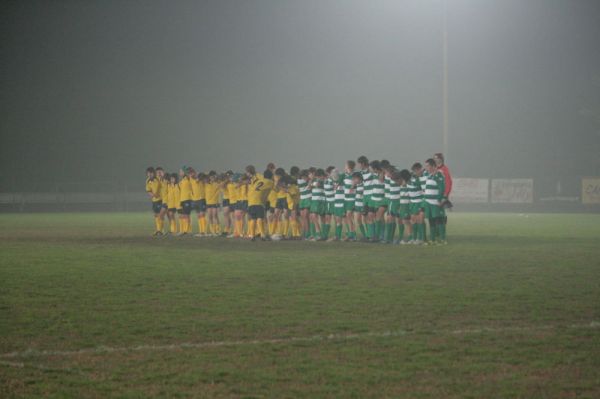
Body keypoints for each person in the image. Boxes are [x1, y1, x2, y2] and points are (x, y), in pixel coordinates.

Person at [246, 165, 273, 241]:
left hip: (251, 201)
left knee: (253, 218)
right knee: (260, 218)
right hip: (258, 201)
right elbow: (276, 189)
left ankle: (252, 236)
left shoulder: (254, 180)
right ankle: (262, 235)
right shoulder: (269, 181)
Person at [424, 158, 447, 244]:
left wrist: (439, 200)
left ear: (433, 166)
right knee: (431, 221)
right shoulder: (429, 175)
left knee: (439, 220)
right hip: (428, 202)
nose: (426, 168)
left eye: (427, 166)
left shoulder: (439, 175)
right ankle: (432, 239)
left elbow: (442, 188)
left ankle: (443, 239)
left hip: (435, 202)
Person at [408, 163, 425, 244]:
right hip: (412, 202)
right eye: (414, 171)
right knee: (413, 220)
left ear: (420, 169)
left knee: (419, 220)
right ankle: (414, 238)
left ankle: (421, 238)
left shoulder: (422, 178)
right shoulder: (412, 177)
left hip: (419, 201)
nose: (416, 172)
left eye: (417, 170)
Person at [309, 168, 327, 241]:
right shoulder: (314, 180)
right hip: (315, 200)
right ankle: (318, 234)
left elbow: (316, 185)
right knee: (314, 216)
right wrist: (311, 182)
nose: (319, 177)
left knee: (320, 217)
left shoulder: (322, 181)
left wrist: (311, 183)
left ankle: (321, 234)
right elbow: (310, 186)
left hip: (320, 200)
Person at [145, 167, 164, 236]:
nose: (149, 174)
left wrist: (158, 194)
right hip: (154, 200)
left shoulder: (158, 179)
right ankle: (158, 230)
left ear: (154, 173)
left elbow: (163, 185)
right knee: (156, 215)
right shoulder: (147, 181)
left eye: (151, 173)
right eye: (148, 173)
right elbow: (148, 190)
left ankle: (160, 230)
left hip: (161, 199)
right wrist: (153, 195)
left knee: (160, 215)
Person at [342, 160, 357, 241]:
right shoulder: (345, 175)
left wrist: (353, 185)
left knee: (349, 215)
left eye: (345, 165)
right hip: (346, 198)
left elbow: (356, 182)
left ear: (349, 166)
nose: (344, 167)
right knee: (346, 217)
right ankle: (350, 233)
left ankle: (353, 235)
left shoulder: (354, 175)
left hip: (351, 198)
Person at [329, 169, 345, 241]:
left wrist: (339, 175)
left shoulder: (342, 181)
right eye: (332, 174)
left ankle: (349, 235)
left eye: (335, 174)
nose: (333, 175)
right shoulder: (333, 182)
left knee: (342, 220)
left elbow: (343, 175)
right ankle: (337, 236)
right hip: (336, 203)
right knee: (337, 220)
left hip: (342, 203)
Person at [204, 171, 221, 236]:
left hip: (215, 202)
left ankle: (218, 230)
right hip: (208, 202)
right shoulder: (206, 184)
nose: (212, 178)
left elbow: (219, 194)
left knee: (215, 216)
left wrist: (219, 204)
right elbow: (202, 177)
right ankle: (212, 231)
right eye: (211, 177)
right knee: (210, 216)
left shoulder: (217, 184)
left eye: (213, 177)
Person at [178, 166, 193, 235]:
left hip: (188, 199)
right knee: (184, 215)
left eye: (181, 171)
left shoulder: (189, 178)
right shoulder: (182, 180)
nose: (180, 173)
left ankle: (187, 230)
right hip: (182, 199)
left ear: (184, 172)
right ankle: (185, 230)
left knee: (187, 215)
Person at [351, 172, 366, 240]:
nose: (353, 180)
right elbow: (352, 193)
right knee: (358, 220)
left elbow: (363, 195)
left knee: (365, 220)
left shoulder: (364, 185)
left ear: (359, 178)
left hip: (362, 205)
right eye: (353, 179)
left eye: (355, 179)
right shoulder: (357, 185)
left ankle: (368, 235)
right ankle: (364, 235)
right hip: (357, 205)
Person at [323, 166, 336, 240]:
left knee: (336, 219)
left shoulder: (333, 180)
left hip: (333, 201)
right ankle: (325, 235)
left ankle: (337, 236)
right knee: (327, 218)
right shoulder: (326, 180)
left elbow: (335, 190)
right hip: (328, 202)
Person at [297, 169, 312, 240]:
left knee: (306, 216)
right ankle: (304, 233)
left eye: (305, 176)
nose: (304, 178)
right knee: (303, 217)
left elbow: (310, 186)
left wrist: (310, 180)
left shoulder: (310, 180)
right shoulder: (299, 181)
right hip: (302, 199)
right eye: (303, 176)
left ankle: (308, 233)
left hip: (308, 198)